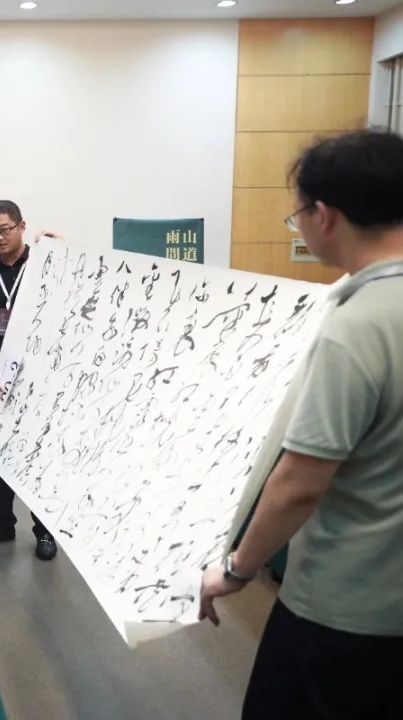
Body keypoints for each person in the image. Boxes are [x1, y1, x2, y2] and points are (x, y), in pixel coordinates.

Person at [199, 129, 403, 720]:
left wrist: (236, 569)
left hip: (345, 612)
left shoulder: (356, 327)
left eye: (297, 217)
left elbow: (300, 483)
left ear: (324, 215)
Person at [0, 200, 58, 561]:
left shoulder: (43, 264)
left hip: (40, 378)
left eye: (5, 229)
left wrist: (60, 245)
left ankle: (44, 530)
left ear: (21, 226)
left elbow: (79, 276)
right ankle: (1, 524)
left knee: (38, 455)